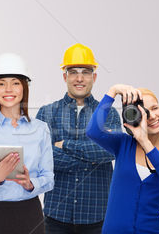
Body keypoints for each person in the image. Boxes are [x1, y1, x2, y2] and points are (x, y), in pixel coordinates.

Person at [37, 44, 121, 234]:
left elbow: (110, 150)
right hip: (55, 216)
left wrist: (65, 145)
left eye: (86, 72)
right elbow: (44, 157)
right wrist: (91, 157)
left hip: (96, 216)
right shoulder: (47, 112)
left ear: (94, 77)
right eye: (73, 72)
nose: (80, 78)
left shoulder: (108, 113)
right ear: (65, 76)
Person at [87, 84, 159, 233]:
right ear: (135, 117)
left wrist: (145, 142)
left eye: (155, 108)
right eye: (145, 113)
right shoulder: (123, 144)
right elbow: (93, 131)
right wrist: (113, 91)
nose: (152, 116)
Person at [0, 53, 54, 234]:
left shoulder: (40, 129)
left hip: (30, 214)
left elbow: (49, 178)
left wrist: (30, 183)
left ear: (24, 88)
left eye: (15, 83)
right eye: (1, 83)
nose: (8, 89)